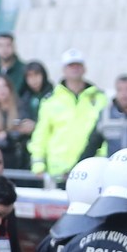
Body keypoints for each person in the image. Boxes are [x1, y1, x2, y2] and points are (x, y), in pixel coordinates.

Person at [27, 50, 105, 180]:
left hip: (92, 169)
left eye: (78, 65)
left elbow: (104, 134)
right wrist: (38, 164)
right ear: (64, 70)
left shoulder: (99, 98)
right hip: (58, 172)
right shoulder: (51, 100)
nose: (74, 69)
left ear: (84, 68)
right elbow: (41, 134)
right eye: (70, 65)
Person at [95, 74, 127, 153]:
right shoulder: (106, 115)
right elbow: (94, 142)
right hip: (114, 164)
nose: (124, 94)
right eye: (120, 90)